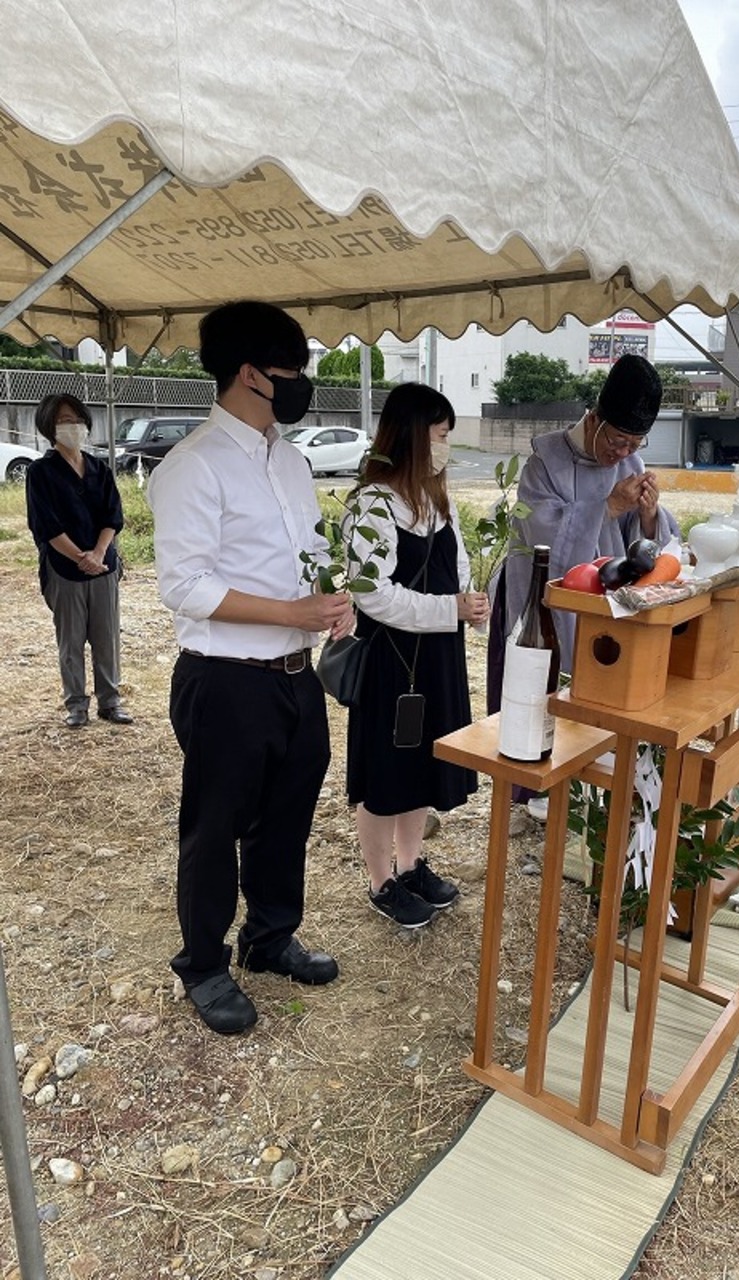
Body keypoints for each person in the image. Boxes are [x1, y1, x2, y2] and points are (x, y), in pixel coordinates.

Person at [148, 300, 353, 1035]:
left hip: (297, 676)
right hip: (227, 678)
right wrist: (290, 613)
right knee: (214, 826)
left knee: (288, 817)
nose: (301, 386)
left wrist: (330, 602)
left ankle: (269, 938)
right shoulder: (193, 466)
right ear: (247, 373)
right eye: (290, 373)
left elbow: (312, 554)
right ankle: (203, 965)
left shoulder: (291, 463)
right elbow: (188, 586)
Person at [489, 353, 679, 824]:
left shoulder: (629, 460)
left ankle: (584, 787)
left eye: (635, 442)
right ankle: (529, 792)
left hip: (601, 604)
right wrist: (607, 508)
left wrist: (649, 516)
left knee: (597, 691)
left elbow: (645, 545)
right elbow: (542, 541)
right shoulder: (543, 462)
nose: (623, 452)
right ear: (593, 420)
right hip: (540, 606)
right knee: (538, 695)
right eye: (617, 438)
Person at [345, 382, 488, 929]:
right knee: (386, 770)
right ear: (411, 436)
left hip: (437, 658)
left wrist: (471, 607)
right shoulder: (373, 503)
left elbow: (459, 570)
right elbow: (370, 592)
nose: (447, 446)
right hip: (393, 662)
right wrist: (447, 609)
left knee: (422, 765)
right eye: (442, 434)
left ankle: (410, 865)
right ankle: (380, 880)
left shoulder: (434, 500)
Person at [26, 393, 132, 729]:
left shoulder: (99, 468)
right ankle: (76, 705)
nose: (72, 427)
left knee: (106, 637)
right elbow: (46, 525)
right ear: (48, 426)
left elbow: (113, 516)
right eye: (63, 421)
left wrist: (99, 554)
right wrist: (80, 557)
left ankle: (110, 701)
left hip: (103, 566)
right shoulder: (40, 472)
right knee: (70, 641)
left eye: (76, 420)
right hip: (64, 568)